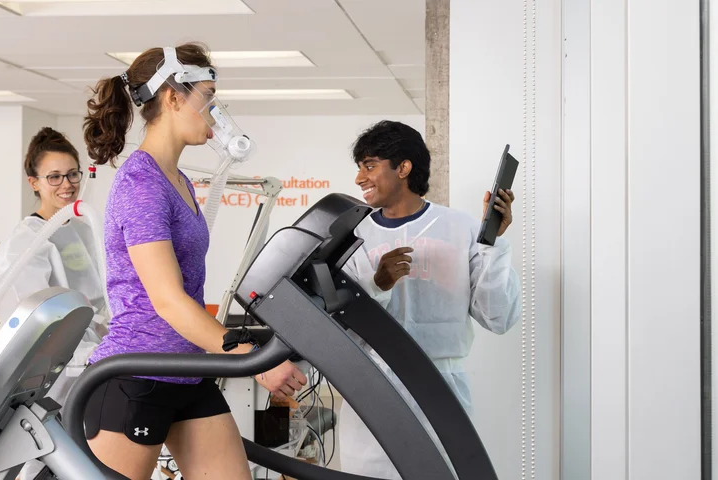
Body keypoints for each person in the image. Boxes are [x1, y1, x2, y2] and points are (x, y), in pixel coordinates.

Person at [81, 42, 307, 480]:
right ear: (172, 97)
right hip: (138, 373)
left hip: (187, 371)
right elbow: (167, 300)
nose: (216, 114)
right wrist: (251, 360)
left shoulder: (177, 179)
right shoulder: (141, 183)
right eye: (208, 98)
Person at [337, 120, 522, 478]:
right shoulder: (353, 234)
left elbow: (498, 317)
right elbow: (338, 324)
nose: (360, 178)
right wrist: (377, 284)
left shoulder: (461, 227)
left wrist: (492, 243)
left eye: (369, 165)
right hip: (371, 389)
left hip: (441, 392)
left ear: (403, 168)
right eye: (359, 167)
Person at [0, 126, 109, 480]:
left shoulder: (82, 228)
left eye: (72, 174)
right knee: (44, 462)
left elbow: (98, 301)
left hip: (89, 368)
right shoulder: (25, 242)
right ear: (33, 182)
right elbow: (40, 324)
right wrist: (90, 354)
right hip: (54, 375)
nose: (66, 184)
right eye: (54, 177)